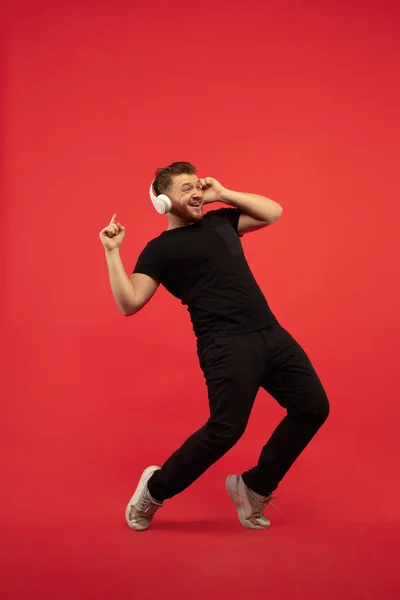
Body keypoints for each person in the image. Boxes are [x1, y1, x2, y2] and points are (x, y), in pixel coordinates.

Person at [99, 161, 329, 532]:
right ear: (161, 202)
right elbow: (130, 302)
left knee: (313, 407)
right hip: (225, 345)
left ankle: (254, 487)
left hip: (271, 332)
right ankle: (154, 490)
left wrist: (220, 192)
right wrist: (113, 252)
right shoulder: (159, 250)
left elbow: (273, 212)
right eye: (184, 188)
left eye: (196, 185)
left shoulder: (221, 221)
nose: (195, 193)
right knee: (226, 430)